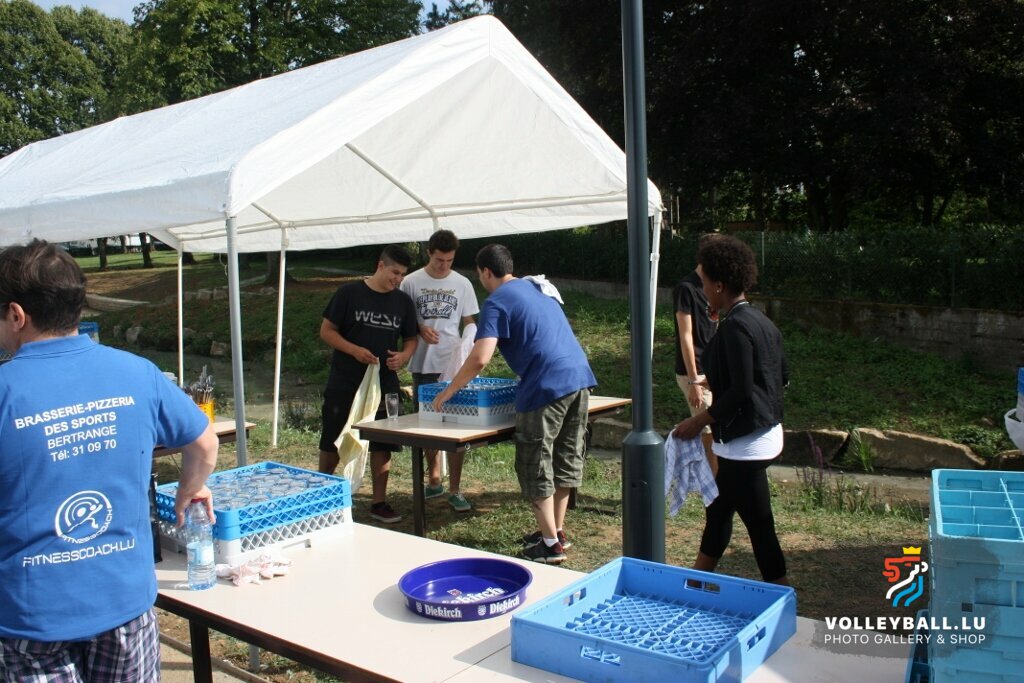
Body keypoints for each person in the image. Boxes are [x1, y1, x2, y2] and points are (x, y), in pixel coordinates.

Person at [0, 239, 219, 681]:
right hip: (124, 602)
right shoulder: (137, 372)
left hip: (31, 615)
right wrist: (191, 487)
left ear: (17, 315)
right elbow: (204, 442)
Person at [433, 244, 596, 564]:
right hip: (579, 378)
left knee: (536, 462)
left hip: (545, 385)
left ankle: (550, 545)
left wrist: (449, 390)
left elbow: (480, 358)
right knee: (565, 458)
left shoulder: (496, 301)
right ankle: (556, 532)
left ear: (485, 272)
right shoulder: (538, 287)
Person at [673, 235, 789, 585]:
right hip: (762, 433)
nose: (704, 289)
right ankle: (696, 581)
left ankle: (784, 596)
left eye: (706, 282)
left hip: (746, 443)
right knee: (719, 510)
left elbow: (742, 390)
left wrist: (698, 422)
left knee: (759, 525)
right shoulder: (760, 320)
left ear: (720, 285)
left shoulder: (736, 327)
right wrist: (716, 380)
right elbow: (777, 374)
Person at [318, 245, 418, 524]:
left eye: (402, 275)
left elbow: (411, 338)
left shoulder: (403, 302)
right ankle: (321, 496)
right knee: (333, 435)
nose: (398, 279)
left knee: (384, 439)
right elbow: (327, 331)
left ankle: (379, 502)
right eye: (394, 272)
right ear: (380, 265)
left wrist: (404, 356)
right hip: (346, 377)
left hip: (385, 380)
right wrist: (353, 350)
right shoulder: (349, 293)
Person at [400, 230, 480, 512]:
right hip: (423, 364)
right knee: (427, 427)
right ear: (429, 254)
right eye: (439, 260)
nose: (444, 266)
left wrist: (468, 344)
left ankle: (456, 488)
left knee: (457, 429)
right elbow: (402, 320)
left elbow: (470, 321)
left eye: (449, 261)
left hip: (454, 366)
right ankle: (434, 479)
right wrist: (419, 328)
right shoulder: (410, 282)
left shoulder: (462, 283)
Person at [672, 235, 719, 476]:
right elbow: (686, 336)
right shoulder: (686, 288)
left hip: (713, 369)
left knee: (717, 429)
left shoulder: (715, 285)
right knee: (710, 431)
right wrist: (693, 381)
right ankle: (717, 486)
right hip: (695, 372)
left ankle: (719, 484)